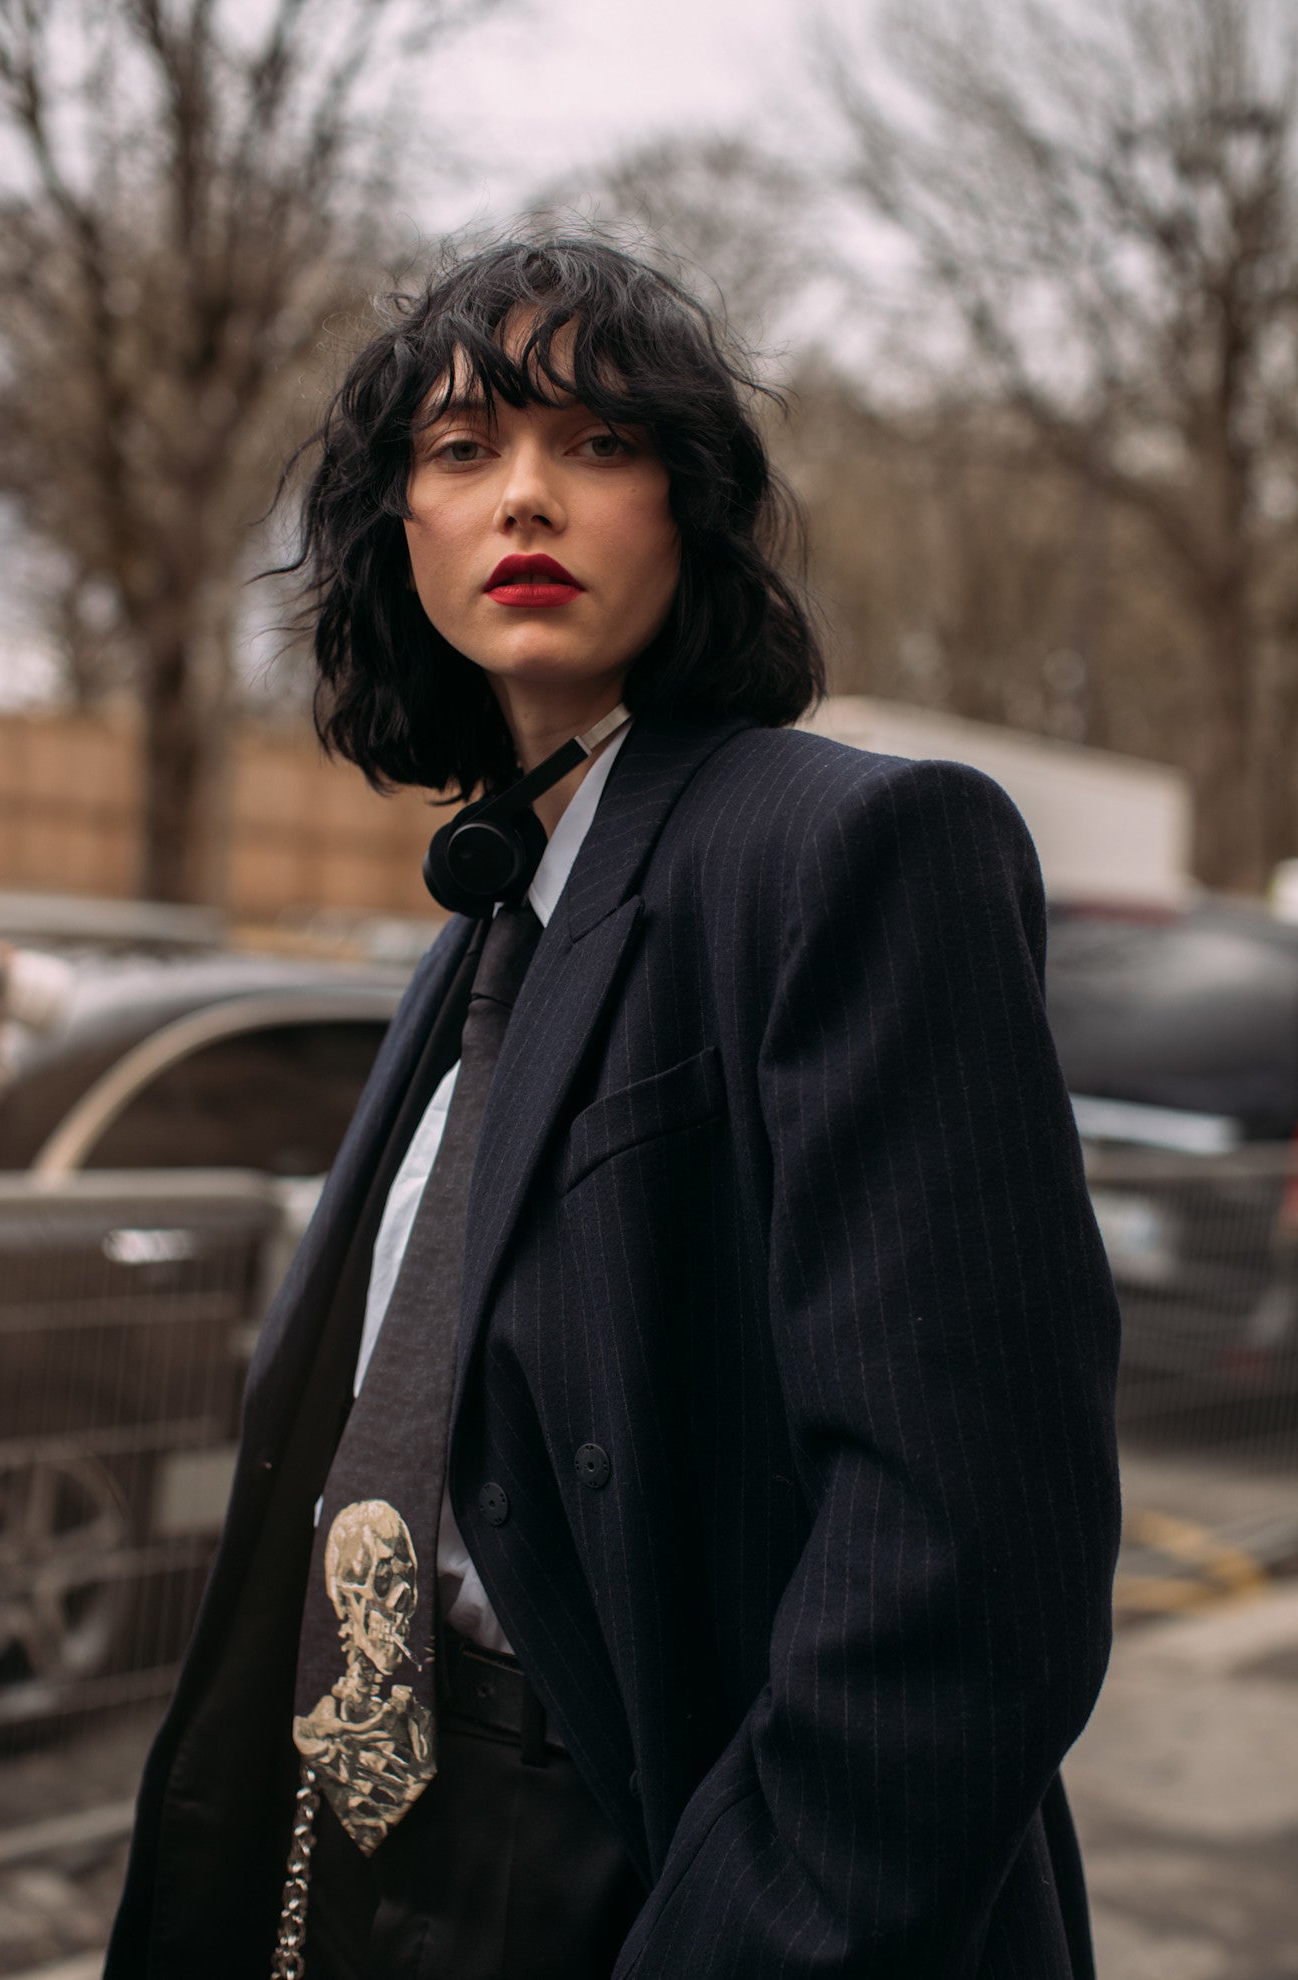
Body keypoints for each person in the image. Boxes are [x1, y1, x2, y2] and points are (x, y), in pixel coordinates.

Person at [106, 236, 1121, 1979]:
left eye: (597, 444)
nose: (525, 499)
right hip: (375, 1828)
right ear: (397, 529)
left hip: (665, 1865)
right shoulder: (490, 913)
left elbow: (973, 1554)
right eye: (460, 450)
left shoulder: (850, 849)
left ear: (691, 510)